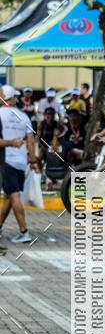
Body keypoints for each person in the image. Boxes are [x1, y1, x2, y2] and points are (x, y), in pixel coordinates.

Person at [0, 84, 37, 243]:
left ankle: (24, 231)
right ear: (13, 98)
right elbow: (31, 139)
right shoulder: (24, 116)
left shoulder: (0, 114)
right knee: (9, 196)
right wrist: (33, 159)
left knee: (14, 194)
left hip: (6, 160)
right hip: (21, 161)